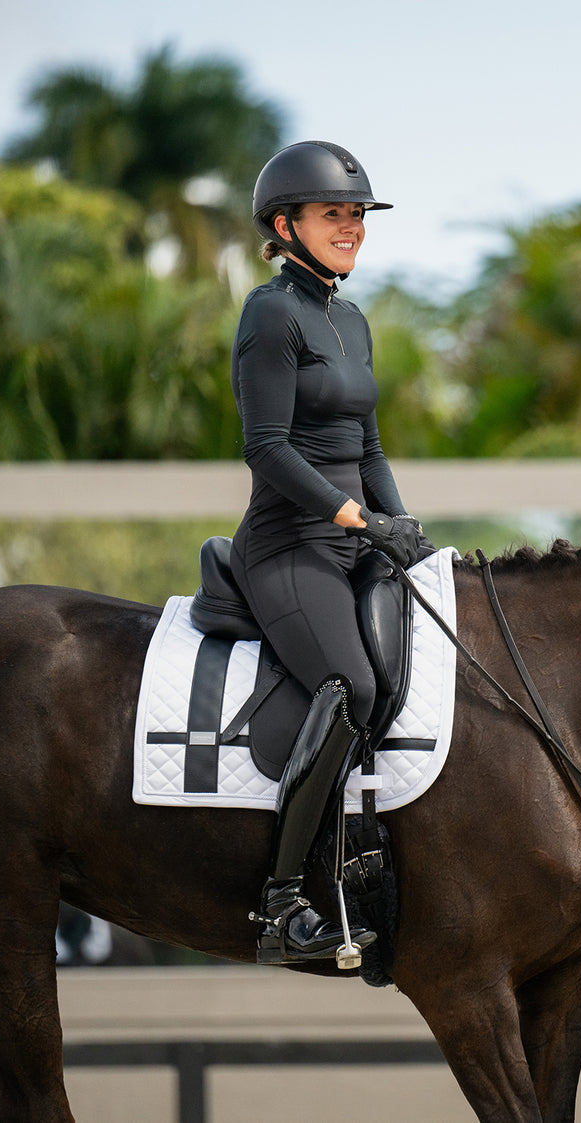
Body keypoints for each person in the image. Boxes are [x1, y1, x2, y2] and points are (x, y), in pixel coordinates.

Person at [230, 140, 431, 964]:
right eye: (333, 214)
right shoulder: (269, 314)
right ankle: (282, 905)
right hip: (289, 546)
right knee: (351, 684)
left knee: (415, 675)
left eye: (357, 215)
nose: (350, 227)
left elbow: (369, 443)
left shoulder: (351, 319)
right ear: (286, 225)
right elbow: (269, 449)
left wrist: (403, 523)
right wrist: (355, 517)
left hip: (357, 540)